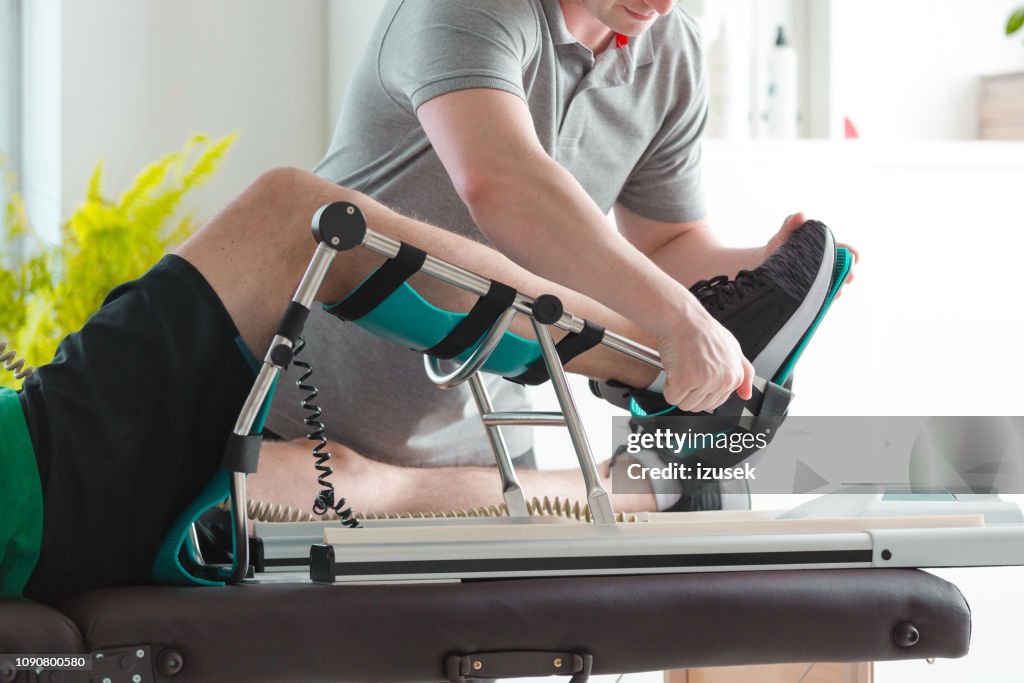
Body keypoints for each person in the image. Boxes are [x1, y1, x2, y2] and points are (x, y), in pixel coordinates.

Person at [2, 167, 841, 602]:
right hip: (32, 477)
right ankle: (668, 377)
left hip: (52, 530)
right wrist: (680, 328)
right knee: (291, 216)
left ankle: (659, 488)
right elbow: (497, 177)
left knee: (330, 476)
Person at [265, 0, 854, 491]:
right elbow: (502, 182)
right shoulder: (467, 7)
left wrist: (759, 269)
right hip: (295, 412)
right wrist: (680, 321)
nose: (663, 3)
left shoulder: (672, 48)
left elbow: (665, 243)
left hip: (486, 440)